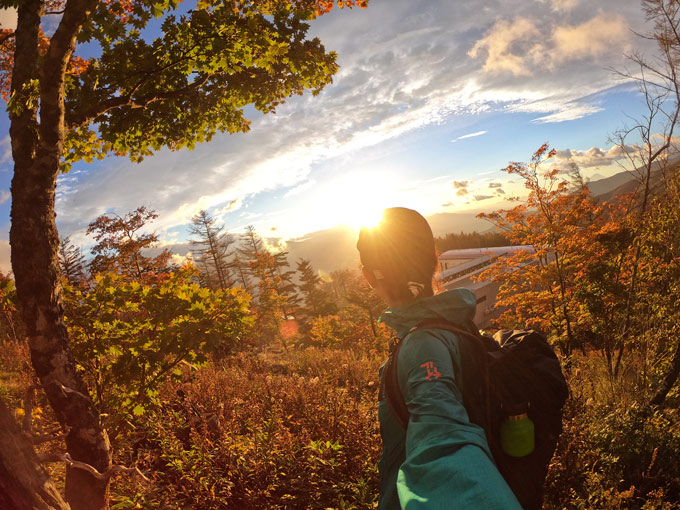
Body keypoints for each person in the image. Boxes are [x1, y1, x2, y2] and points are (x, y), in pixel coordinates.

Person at [357, 207, 522, 510]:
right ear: (434, 260)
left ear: (368, 276)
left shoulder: (422, 344)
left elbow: (445, 444)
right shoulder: (453, 323)